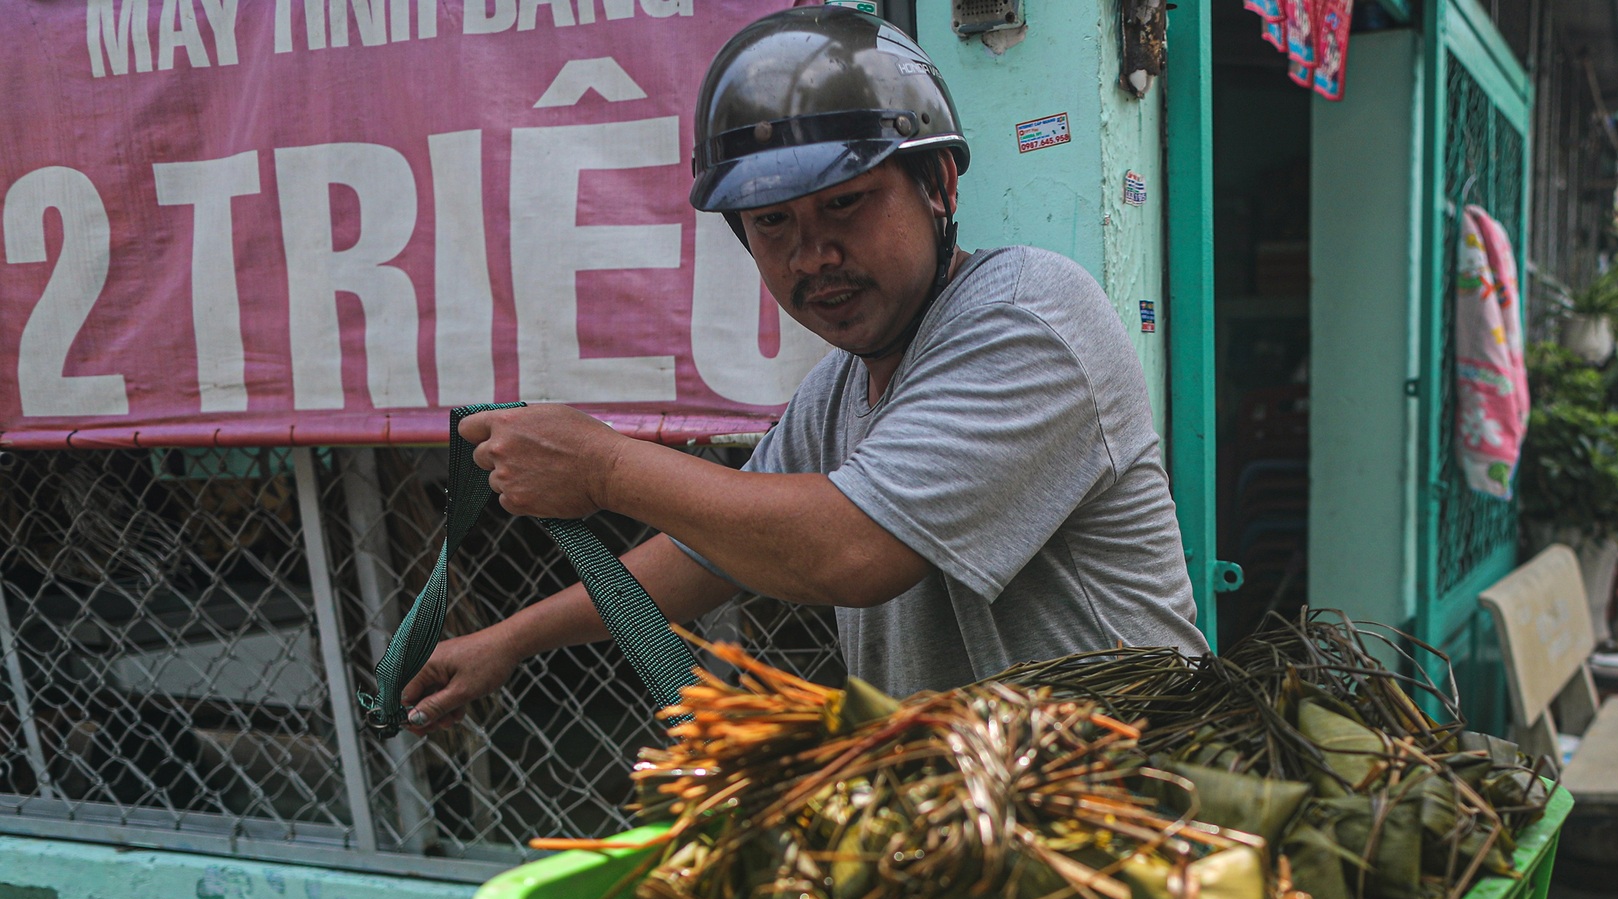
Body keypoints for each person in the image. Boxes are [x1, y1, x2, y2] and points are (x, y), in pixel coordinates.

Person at [401, 5, 1204, 730]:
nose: (813, 256)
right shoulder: (841, 391)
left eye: (845, 204)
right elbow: (701, 553)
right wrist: (504, 642)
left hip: (1128, 820)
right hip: (967, 829)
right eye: (773, 223)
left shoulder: (1029, 317)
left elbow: (852, 552)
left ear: (938, 184)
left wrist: (605, 467)